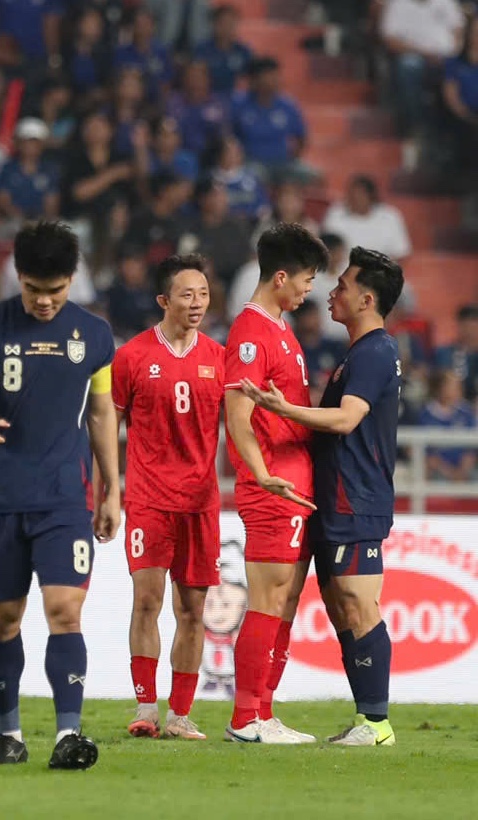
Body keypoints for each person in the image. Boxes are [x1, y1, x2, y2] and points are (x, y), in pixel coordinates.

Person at [0, 221, 120, 769]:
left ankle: (69, 735)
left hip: (66, 496)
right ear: (17, 278)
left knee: (65, 610)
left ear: (72, 279)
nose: (44, 301)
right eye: (34, 290)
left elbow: (101, 410)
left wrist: (112, 487)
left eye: (55, 290)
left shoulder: (93, 335)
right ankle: (9, 734)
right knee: (4, 620)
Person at [241, 247, 404, 746]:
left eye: (344, 286)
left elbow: (347, 419)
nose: (333, 292)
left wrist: (284, 409)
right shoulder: (358, 353)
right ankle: (366, 722)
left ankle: (376, 723)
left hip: (358, 499)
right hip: (338, 498)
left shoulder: (376, 351)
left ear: (367, 298)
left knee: (359, 603)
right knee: (340, 607)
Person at [223, 222, 329, 743]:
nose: (310, 291)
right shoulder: (250, 333)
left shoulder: (280, 328)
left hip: (294, 480)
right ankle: (245, 718)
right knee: (267, 597)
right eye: (307, 280)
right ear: (281, 275)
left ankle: (263, 712)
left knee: (283, 599)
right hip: (273, 485)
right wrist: (263, 475)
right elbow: (236, 415)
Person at [112, 254, 224, 741]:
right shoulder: (132, 356)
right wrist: (106, 487)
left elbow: (238, 427)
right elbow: (105, 426)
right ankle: (145, 708)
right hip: (148, 497)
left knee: (193, 611)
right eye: (187, 294)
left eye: (202, 294)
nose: (196, 303)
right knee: (146, 602)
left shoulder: (218, 359)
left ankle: (180, 714)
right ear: (164, 300)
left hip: (200, 502)